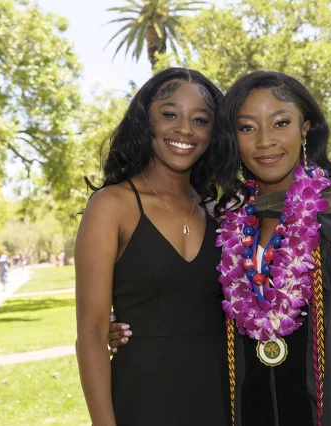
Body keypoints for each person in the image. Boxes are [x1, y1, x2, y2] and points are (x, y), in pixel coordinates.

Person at [111, 71, 331, 426]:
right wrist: (128, 325)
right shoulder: (227, 222)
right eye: (247, 128)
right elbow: (194, 303)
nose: (265, 142)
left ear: (305, 128)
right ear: (231, 138)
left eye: (281, 123)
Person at [75, 68, 229, 426]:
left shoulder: (221, 212)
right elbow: (93, 334)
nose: (185, 129)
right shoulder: (112, 205)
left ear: (213, 133)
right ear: (146, 120)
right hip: (142, 399)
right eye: (170, 114)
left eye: (201, 119)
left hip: (221, 399)